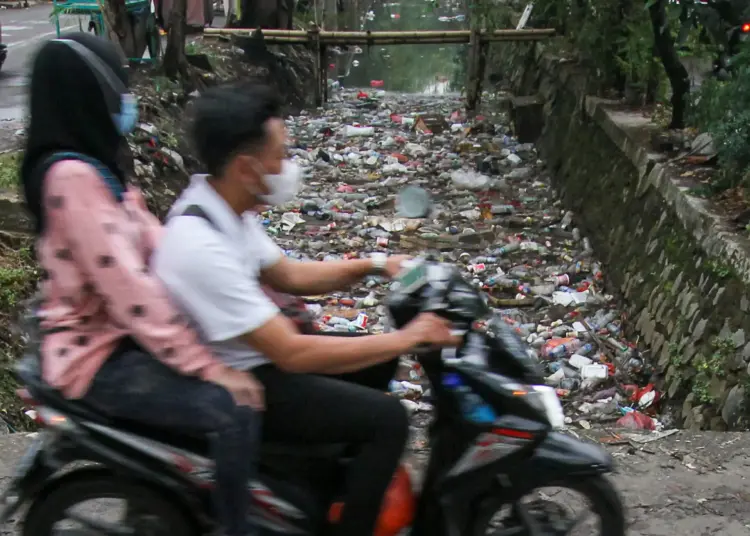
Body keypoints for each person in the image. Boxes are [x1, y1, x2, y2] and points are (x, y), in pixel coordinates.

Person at [153, 83, 460, 536]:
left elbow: (291, 275)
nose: (288, 167)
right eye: (280, 155)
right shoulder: (199, 244)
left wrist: (376, 264)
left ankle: (317, 493)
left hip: (259, 359)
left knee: (380, 360)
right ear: (246, 167)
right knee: (388, 418)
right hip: (243, 383)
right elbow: (291, 353)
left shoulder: (224, 210)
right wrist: (410, 336)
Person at [20, 33, 262, 536]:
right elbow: (128, 289)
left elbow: (160, 245)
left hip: (122, 342)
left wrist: (230, 269)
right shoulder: (71, 178)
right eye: (119, 90)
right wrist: (207, 367)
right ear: (90, 93)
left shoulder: (99, 169)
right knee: (234, 407)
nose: (127, 101)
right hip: (96, 358)